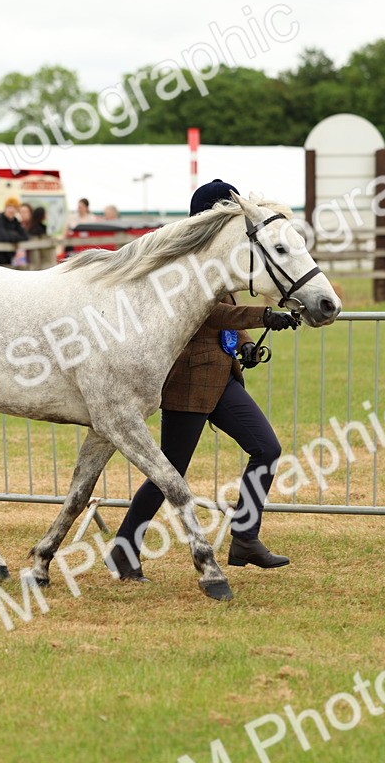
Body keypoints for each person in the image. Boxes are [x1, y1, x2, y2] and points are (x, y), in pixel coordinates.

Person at [106, 179, 301, 582]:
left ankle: (245, 538)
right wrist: (262, 316)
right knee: (169, 472)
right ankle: (124, 551)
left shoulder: (222, 259)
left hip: (222, 376)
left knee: (266, 448)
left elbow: (228, 307)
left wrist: (245, 344)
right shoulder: (186, 264)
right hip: (188, 379)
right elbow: (213, 313)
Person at [0, 197, 29, 266]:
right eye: (9, 207)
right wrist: (15, 235)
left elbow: (25, 237)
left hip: (6, 259)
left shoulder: (15, 221)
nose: (11, 210)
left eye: (14, 208)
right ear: (5, 208)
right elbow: (2, 237)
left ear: (17, 210)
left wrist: (11, 235)